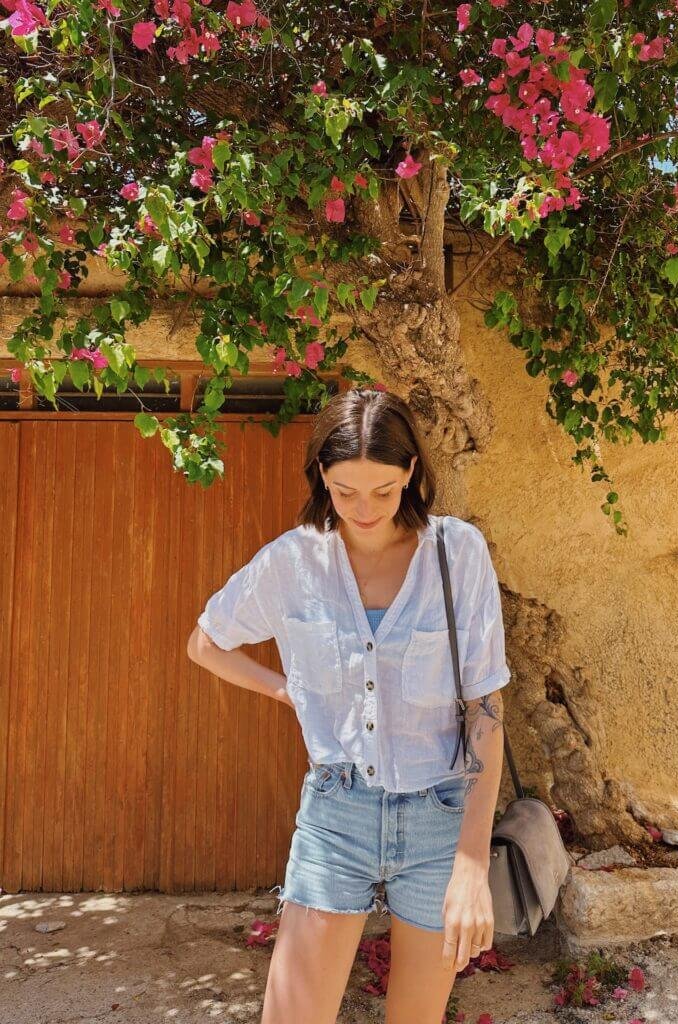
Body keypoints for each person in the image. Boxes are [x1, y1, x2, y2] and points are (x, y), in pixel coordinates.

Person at [187, 387, 511, 1024]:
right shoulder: (291, 563)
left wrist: (472, 865)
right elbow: (206, 643)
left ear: (412, 472)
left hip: (440, 817)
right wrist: (288, 692)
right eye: (345, 491)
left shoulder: (458, 554)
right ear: (321, 478)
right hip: (336, 815)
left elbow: (484, 711)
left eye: (384, 490)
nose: (365, 510)